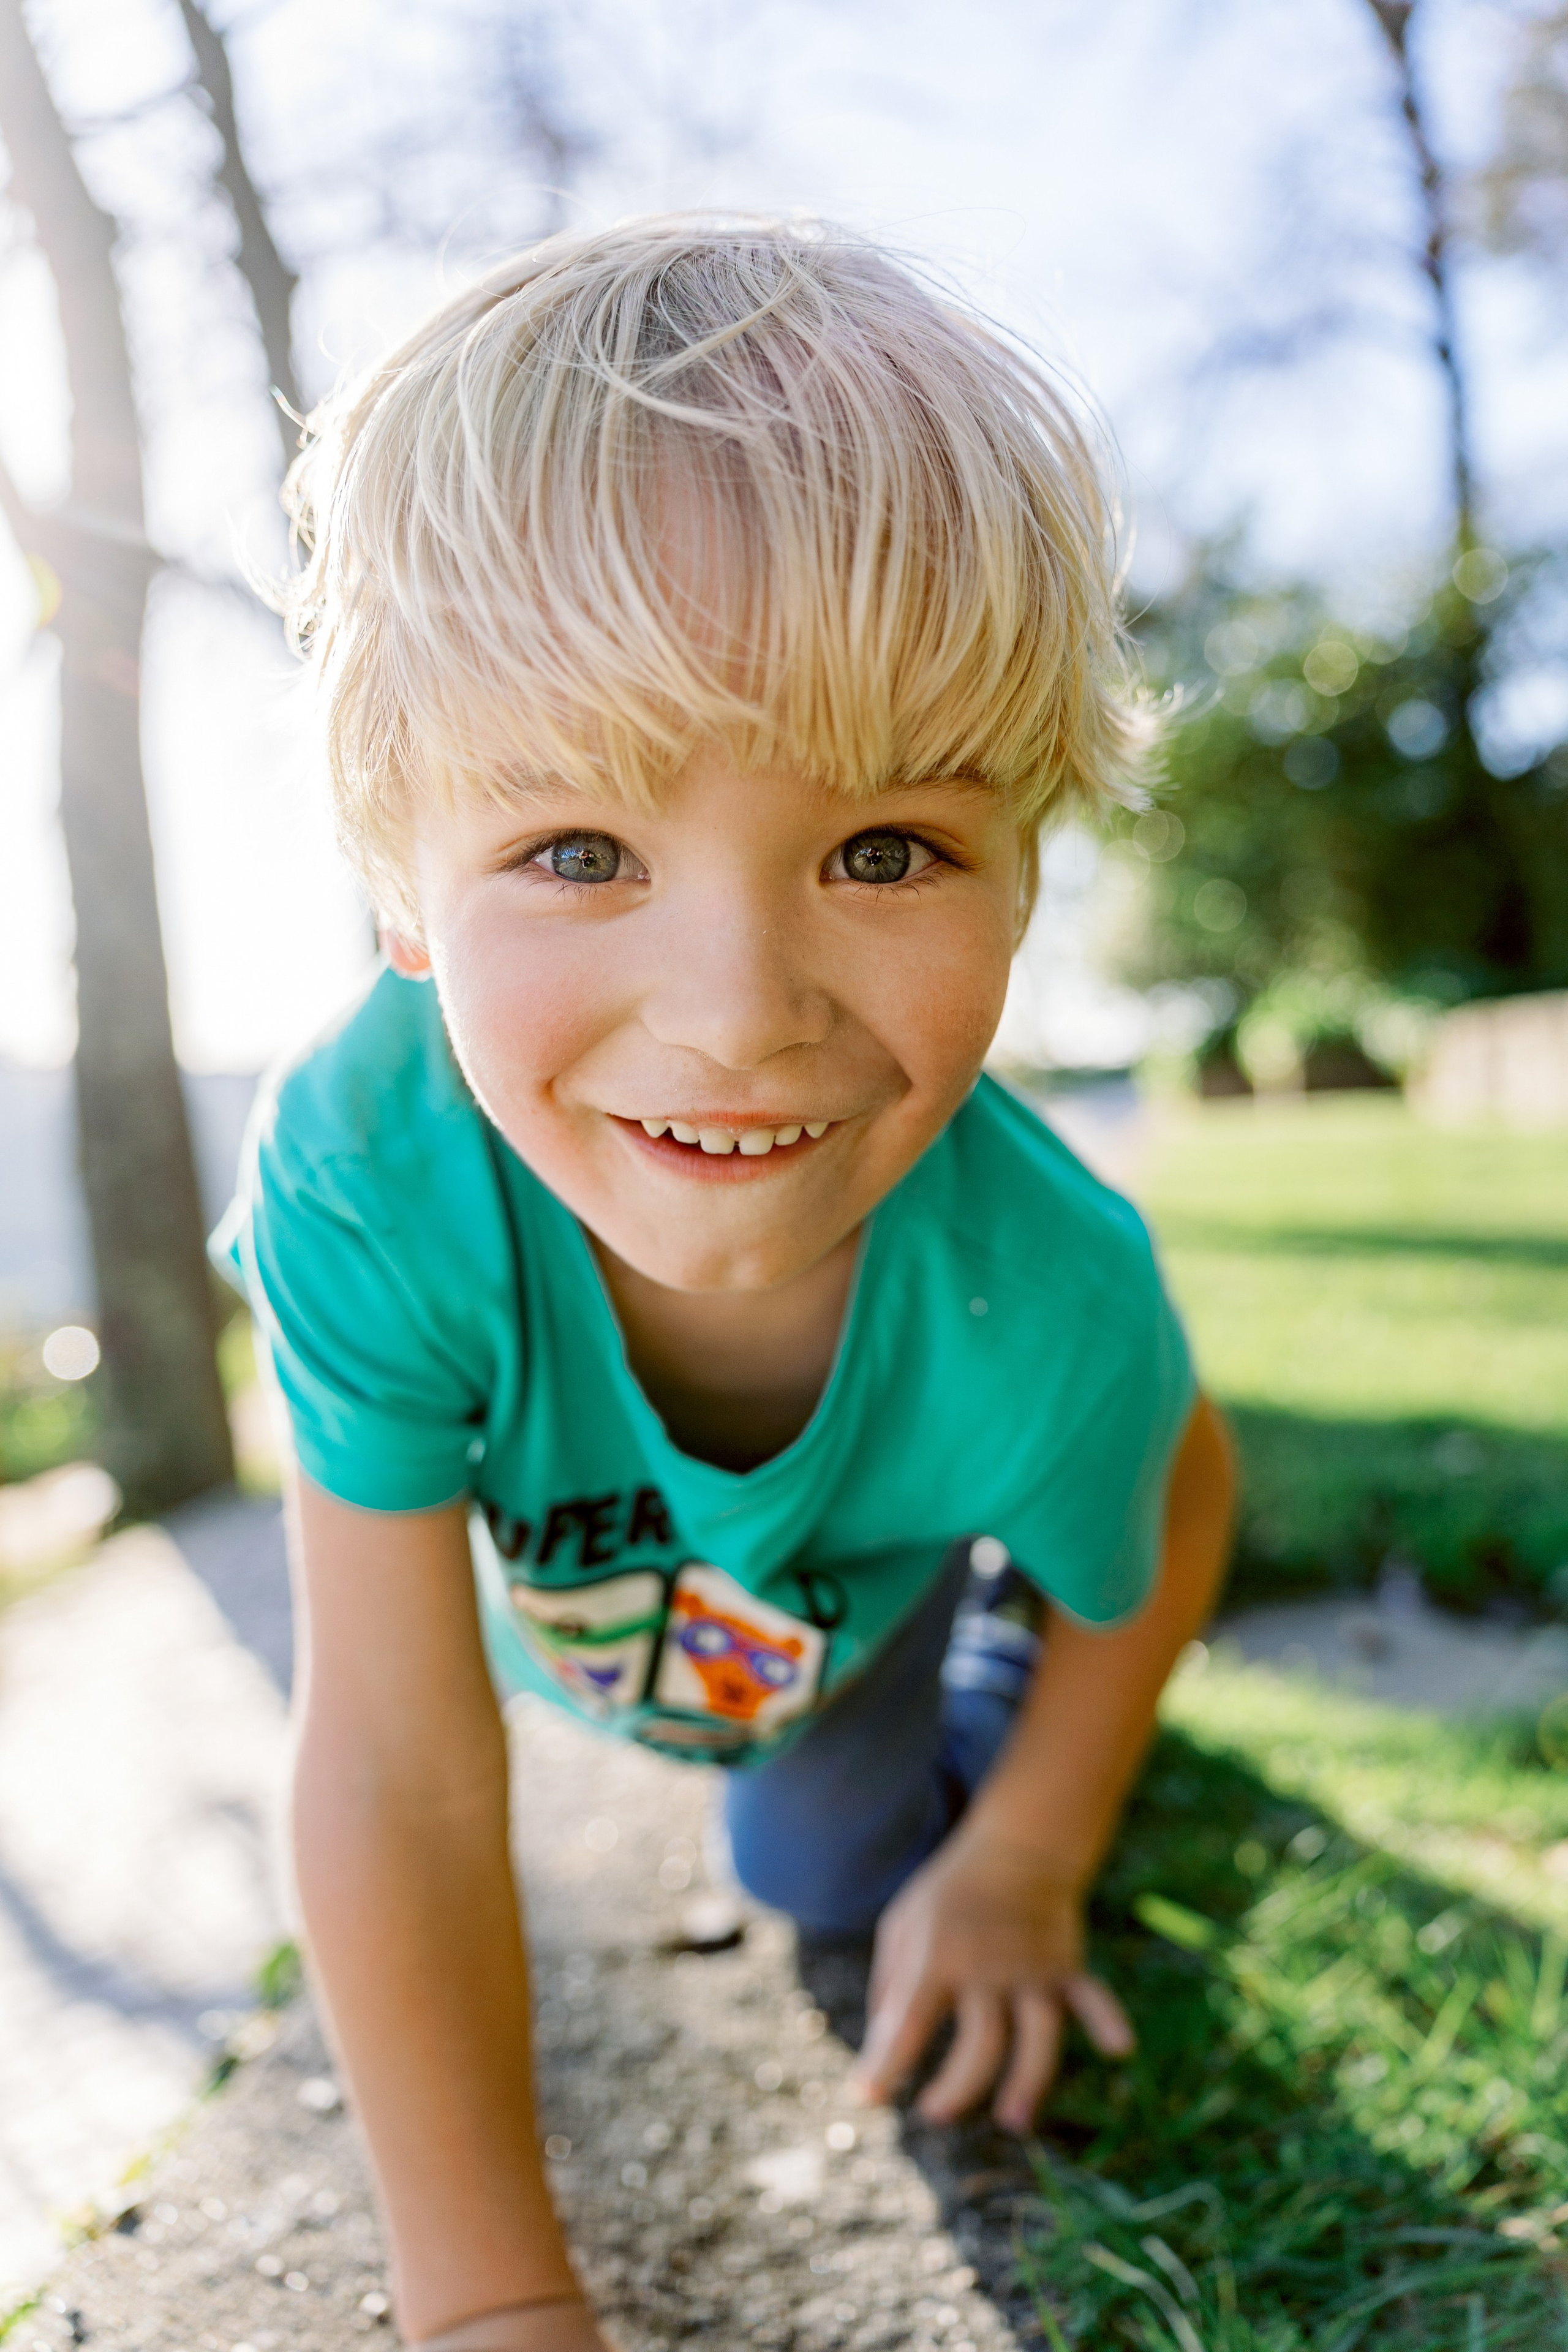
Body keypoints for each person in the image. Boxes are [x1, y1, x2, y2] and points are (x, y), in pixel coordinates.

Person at [217, 216, 1235, 2352]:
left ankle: (988, 1628)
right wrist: (491, 2302)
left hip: (854, 1612)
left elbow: (1181, 1492)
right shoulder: (366, 1179)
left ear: (1022, 877)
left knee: (824, 1877)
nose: (740, 1012)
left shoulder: (1051, 1301)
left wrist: (1032, 1851)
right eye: (578, 851)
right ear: (404, 882)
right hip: (674, 1629)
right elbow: (396, 1759)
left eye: (885, 850)